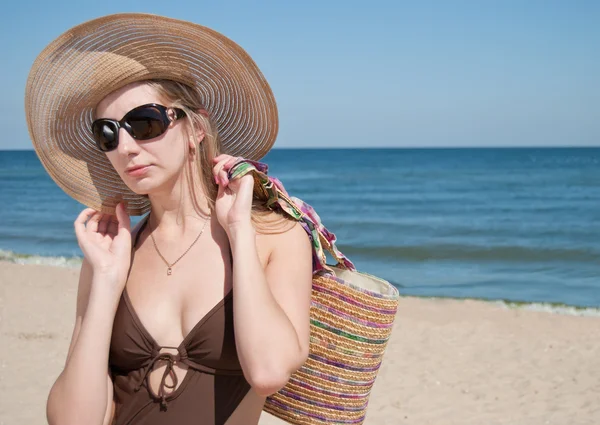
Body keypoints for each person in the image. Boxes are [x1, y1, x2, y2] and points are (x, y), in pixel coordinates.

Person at [25, 13, 313, 425]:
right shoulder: (113, 255)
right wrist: (106, 281)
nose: (125, 147)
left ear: (195, 126)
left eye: (144, 123)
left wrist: (238, 234)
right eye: (108, 133)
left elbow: (268, 372)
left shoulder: (275, 236)